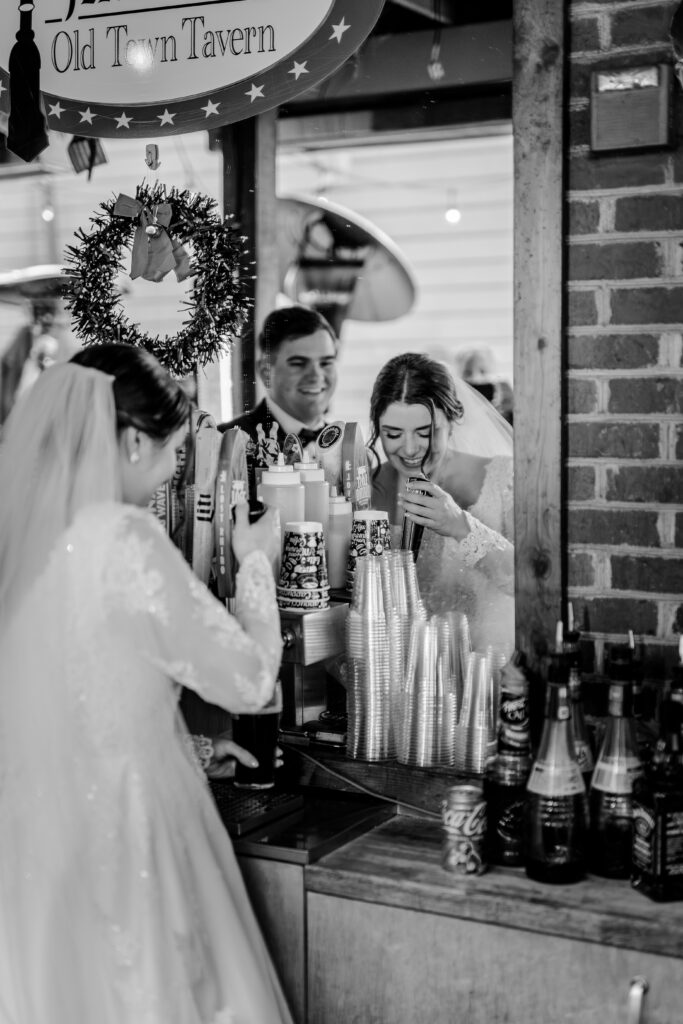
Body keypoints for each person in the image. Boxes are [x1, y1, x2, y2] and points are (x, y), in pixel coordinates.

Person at [0, 343, 293, 1024]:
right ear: (133, 440)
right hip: (121, 837)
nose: (173, 468)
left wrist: (187, 750)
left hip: (37, 844)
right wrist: (255, 567)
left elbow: (64, 694)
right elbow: (249, 683)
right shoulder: (122, 537)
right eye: (174, 450)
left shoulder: (28, 544)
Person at [368, 352, 514, 656]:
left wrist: (460, 525)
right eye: (392, 434)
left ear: (453, 420)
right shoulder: (366, 489)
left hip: (489, 671)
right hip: (398, 676)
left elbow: (532, 582)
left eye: (426, 433)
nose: (409, 450)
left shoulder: (503, 478)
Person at [219, 303, 338, 474]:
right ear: (266, 372)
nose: (316, 375)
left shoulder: (346, 445)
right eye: (298, 363)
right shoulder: (225, 443)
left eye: (326, 362)